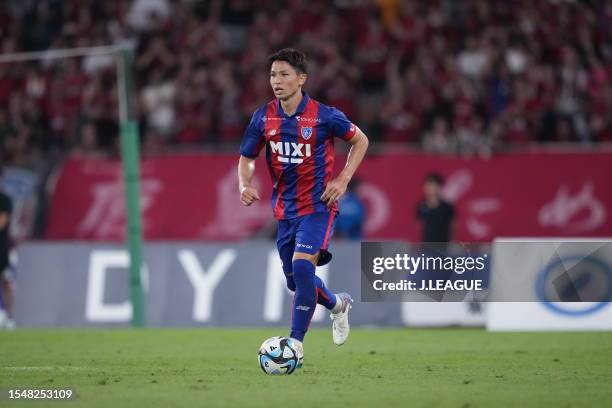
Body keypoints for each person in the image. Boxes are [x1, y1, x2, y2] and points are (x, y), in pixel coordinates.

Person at [238, 48, 369, 360]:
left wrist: (343, 179)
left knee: (301, 265)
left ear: (301, 79)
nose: (277, 81)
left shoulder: (324, 116)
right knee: (298, 281)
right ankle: (338, 304)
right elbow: (246, 157)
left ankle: (294, 344)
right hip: (285, 211)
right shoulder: (263, 116)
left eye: (284, 74)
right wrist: (245, 183)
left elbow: (360, 140)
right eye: (272, 75)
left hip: (319, 207)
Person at [416, 172, 455, 244]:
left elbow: (453, 226)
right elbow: (420, 225)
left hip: (443, 246)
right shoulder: (421, 206)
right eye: (429, 185)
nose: (431, 189)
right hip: (426, 245)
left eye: (434, 186)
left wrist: (451, 242)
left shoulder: (447, 207)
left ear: (440, 187)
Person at [0, 179, 13, 329]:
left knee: (6, 281)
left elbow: (2, 222)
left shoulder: (5, 200)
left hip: (1, 247)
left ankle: (9, 316)